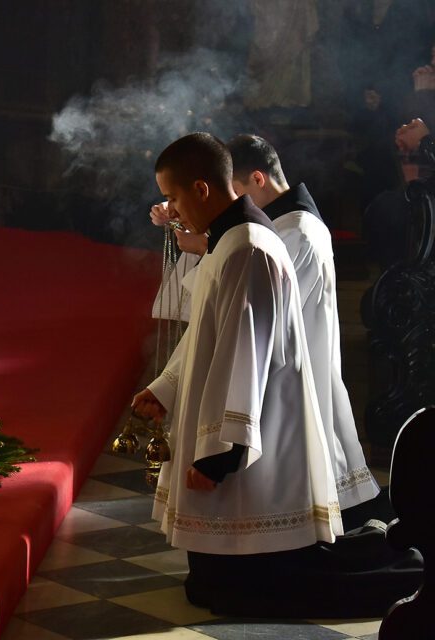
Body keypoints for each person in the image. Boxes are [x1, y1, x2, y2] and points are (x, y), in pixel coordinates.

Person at [132, 133, 421, 617]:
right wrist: (166, 387)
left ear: (202, 189)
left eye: (176, 197)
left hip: (253, 434)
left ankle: (409, 568)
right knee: (221, 582)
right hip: (244, 430)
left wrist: (222, 455)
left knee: (261, 583)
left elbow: (246, 354)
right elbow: (208, 335)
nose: (173, 210)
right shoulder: (234, 241)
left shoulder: (250, 247)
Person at [227, 134, 381, 521]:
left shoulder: (294, 230)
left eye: (237, 192)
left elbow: (264, 305)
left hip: (296, 366)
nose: (235, 205)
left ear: (258, 180)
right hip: (296, 360)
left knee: (311, 479)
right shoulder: (286, 222)